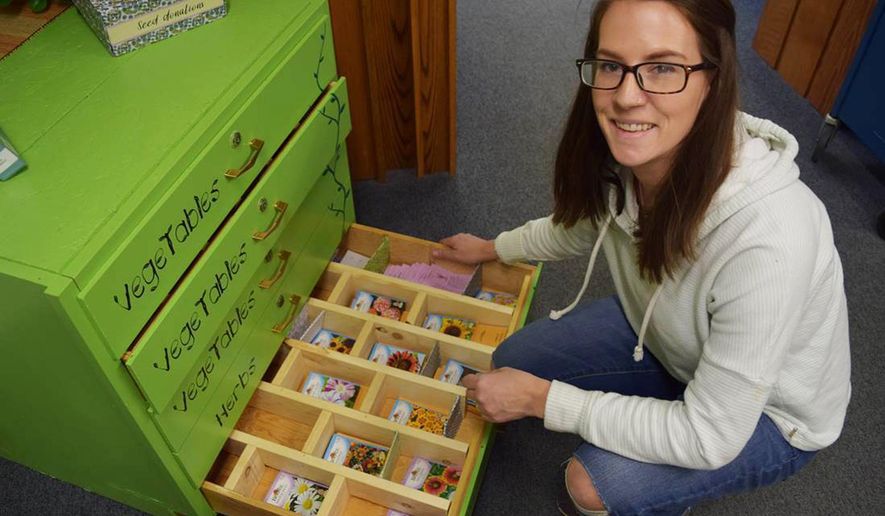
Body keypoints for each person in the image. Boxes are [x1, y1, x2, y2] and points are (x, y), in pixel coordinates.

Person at [432, 0, 851, 514]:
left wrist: (541, 400)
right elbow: (577, 228)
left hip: (771, 415)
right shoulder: (635, 158)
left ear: (714, 78)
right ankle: (661, 407)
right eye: (611, 65)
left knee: (590, 485)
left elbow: (709, 437)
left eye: (663, 68)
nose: (627, 97)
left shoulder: (771, 237)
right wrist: (492, 248)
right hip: (672, 339)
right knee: (512, 360)